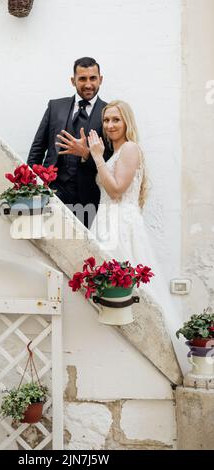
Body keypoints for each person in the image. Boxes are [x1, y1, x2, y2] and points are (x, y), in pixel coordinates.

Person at [88, 100, 186, 372]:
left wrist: (96, 157)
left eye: (116, 120)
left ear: (127, 122)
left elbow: (118, 189)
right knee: (111, 289)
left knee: (130, 288)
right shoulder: (115, 152)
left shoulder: (130, 149)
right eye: (106, 120)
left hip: (120, 224)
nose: (110, 125)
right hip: (107, 221)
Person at [27, 57, 111, 228]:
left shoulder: (109, 113)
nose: (88, 84)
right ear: (73, 81)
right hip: (52, 190)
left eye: (93, 78)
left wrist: (86, 153)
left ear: (100, 79)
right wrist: (31, 187)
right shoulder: (55, 106)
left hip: (89, 197)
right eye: (82, 79)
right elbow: (37, 148)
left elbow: (112, 158)